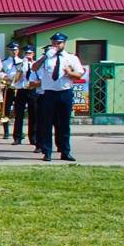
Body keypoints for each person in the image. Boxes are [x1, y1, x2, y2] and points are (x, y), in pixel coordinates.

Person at [32, 33, 85, 162]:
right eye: (54, 43)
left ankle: (65, 151)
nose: (56, 45)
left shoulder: (71, 58)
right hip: (49, 93)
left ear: (64, 43)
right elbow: (34, 68)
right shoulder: (46, 58)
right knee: (47, 124)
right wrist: (44, 57)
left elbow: (79, 74)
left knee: (64, 124)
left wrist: (70, 73)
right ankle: (47, 151)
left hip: (65, 93)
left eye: (59, 43)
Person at [11, 45, 38, 147]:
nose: (28, 55)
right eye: (26, 54)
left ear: (33, 54)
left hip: (32, 90)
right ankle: (17, 137)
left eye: (30, 53)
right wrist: (22, 67)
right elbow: (16, 79)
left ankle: (33, 138)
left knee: (34, 115)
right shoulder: (19, 64)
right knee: (19, 115)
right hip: (21, 90)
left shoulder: (36, 64)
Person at [0, 41, 22, 141]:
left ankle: (18, 133)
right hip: (8, 88)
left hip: (18, 88)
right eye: (12, 50)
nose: (14, 52)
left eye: (15, 50)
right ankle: (6, 132)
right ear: (9, 51)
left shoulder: (22, 62)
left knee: (18, 111)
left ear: (18, 50)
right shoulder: (4, 62)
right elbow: (1, 74)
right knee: (6, 110)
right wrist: (5, 79)